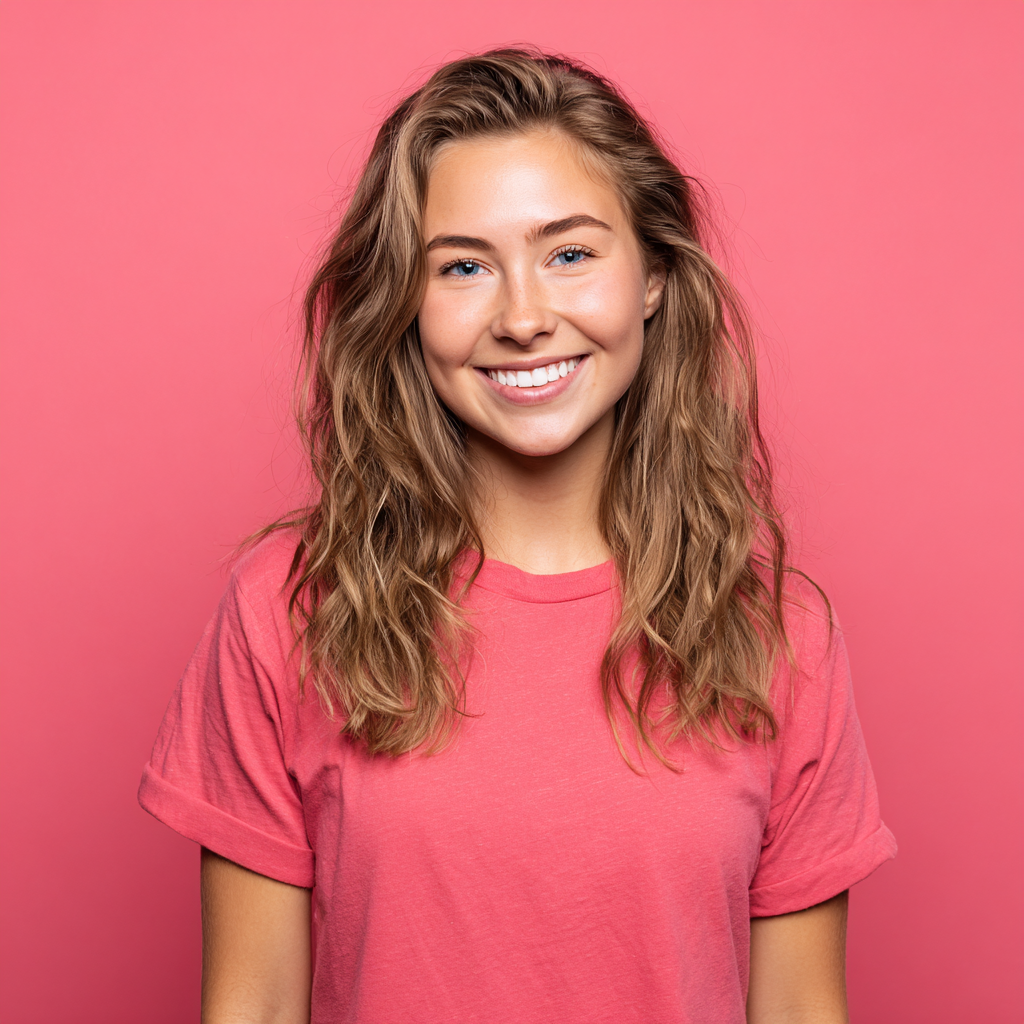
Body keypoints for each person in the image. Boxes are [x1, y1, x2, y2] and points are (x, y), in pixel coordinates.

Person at [139, 48, 896, 1024]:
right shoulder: (288, 607)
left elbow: (801, 1010)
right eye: (462, 267)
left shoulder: (778, 633)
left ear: (654, 276)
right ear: (404, 306)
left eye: (570, 253)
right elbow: (252, 1007)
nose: (525, 316)